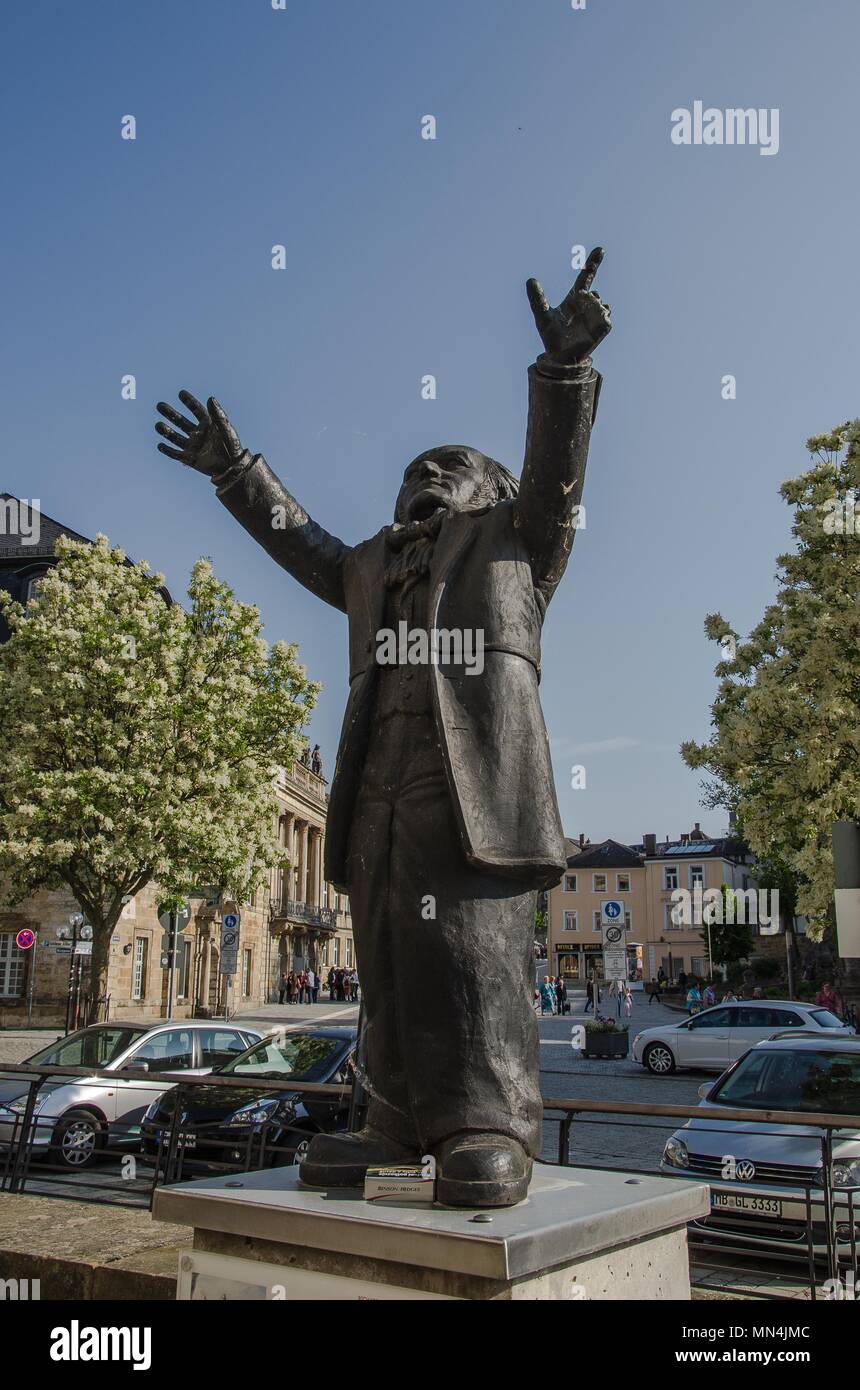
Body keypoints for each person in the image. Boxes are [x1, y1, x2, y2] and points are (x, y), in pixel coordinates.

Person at [156, 250, 610, 1207]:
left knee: (474, 954)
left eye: (449, 467)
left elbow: (556, 476)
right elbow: (304, 541)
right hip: (379, 791)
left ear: (489, 492)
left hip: (473, 786)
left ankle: (488, 1124)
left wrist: (562, 372)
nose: (426, 476)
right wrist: (238, 470)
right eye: (414, 469)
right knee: (391, 957)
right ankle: (393, 1119)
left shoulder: (519, 545)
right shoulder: (369, 568)